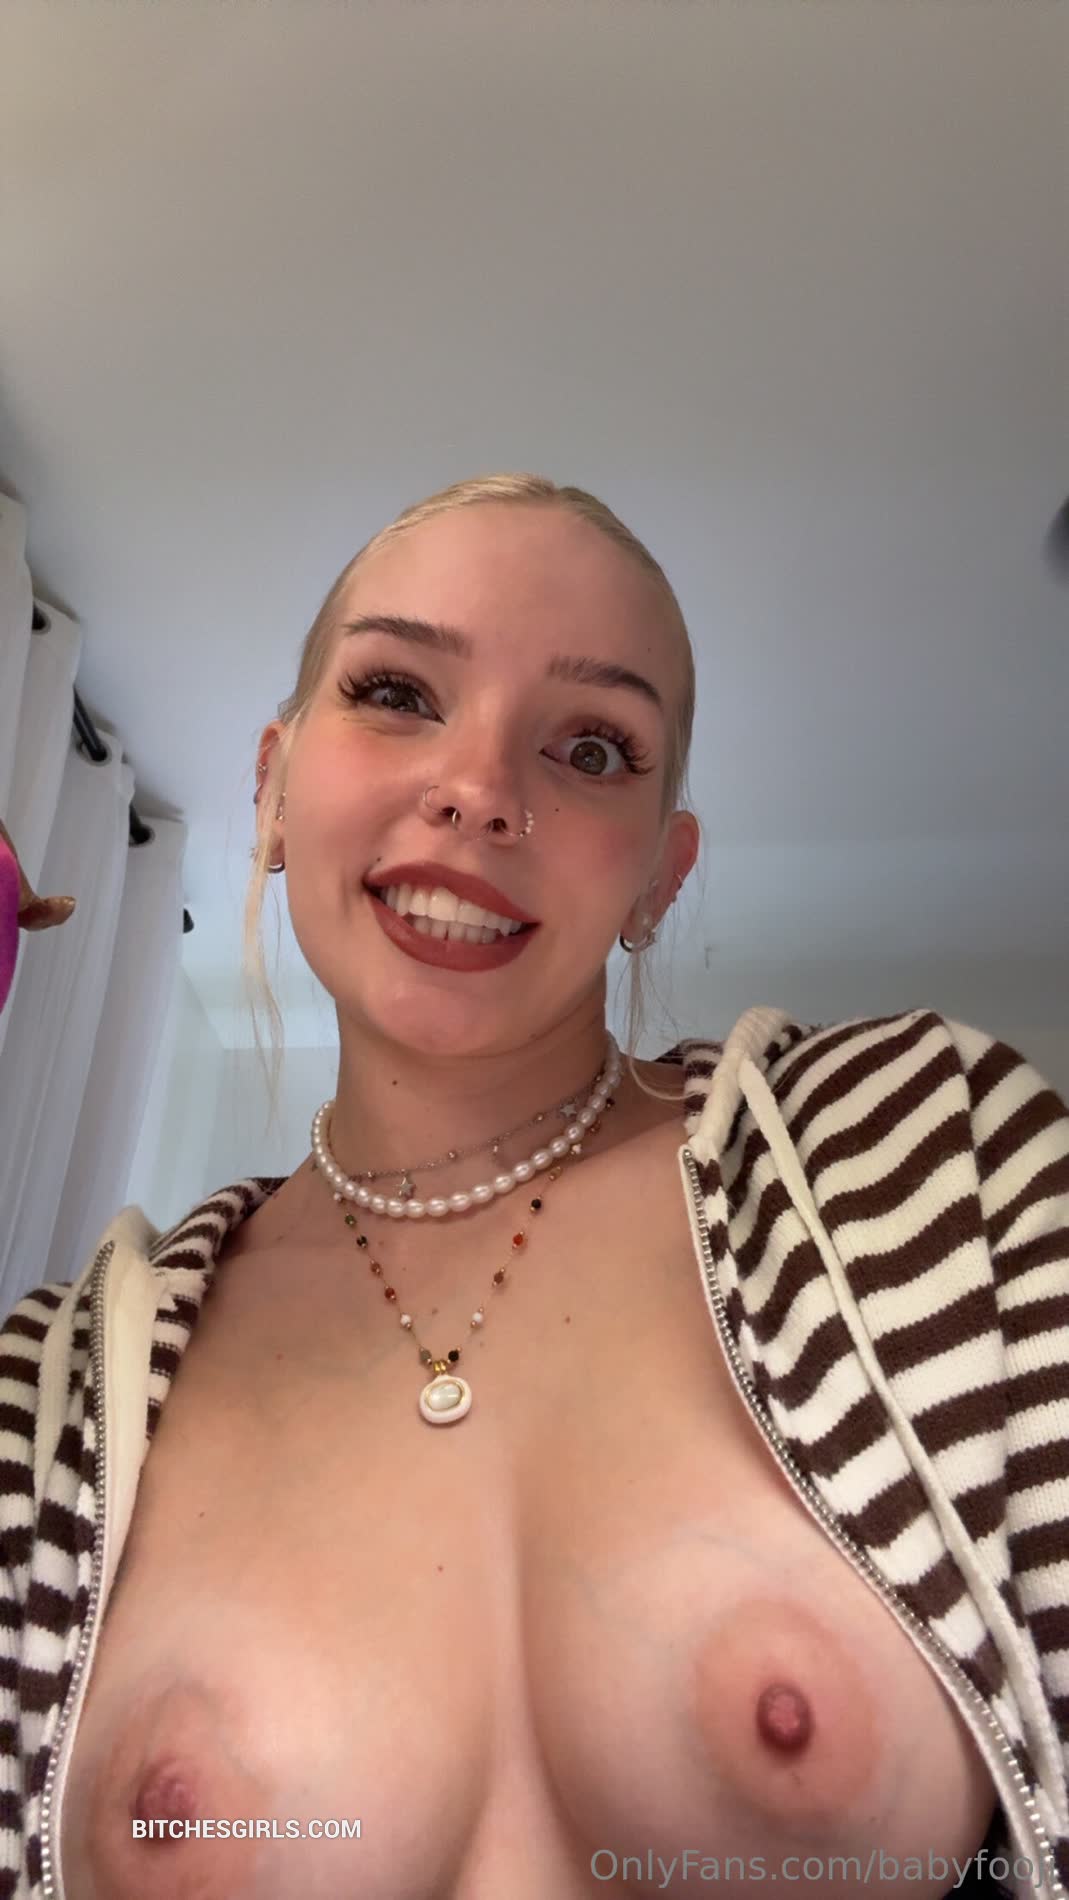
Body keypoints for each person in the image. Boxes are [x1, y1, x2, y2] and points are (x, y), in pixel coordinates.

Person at [0, 472, 1065, 1900]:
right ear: (272, 788)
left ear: (660, 878)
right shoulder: (51, 1403)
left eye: (593, 747)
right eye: (396, 692)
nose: (481, 790)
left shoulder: (920, 1161)